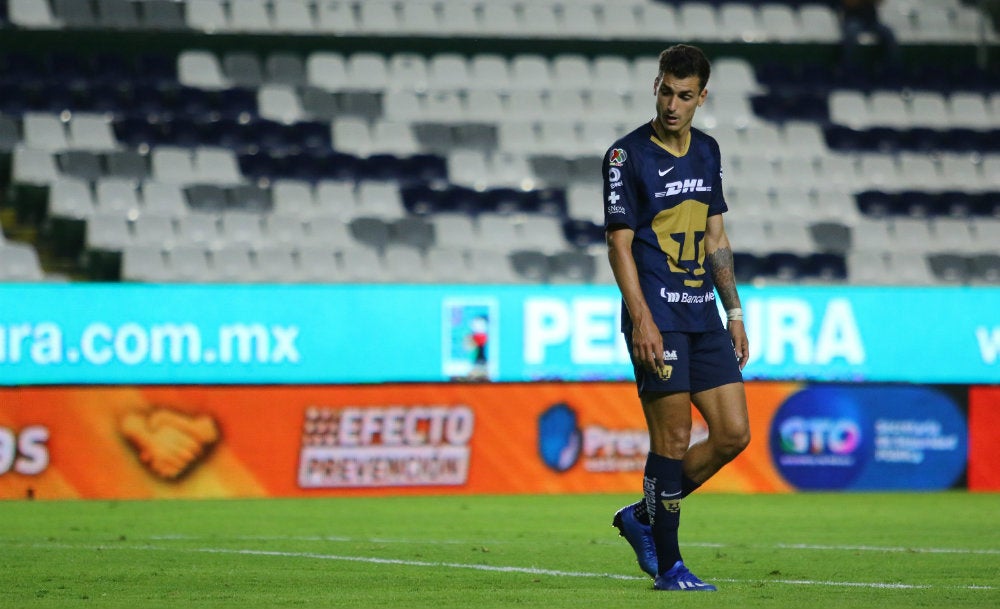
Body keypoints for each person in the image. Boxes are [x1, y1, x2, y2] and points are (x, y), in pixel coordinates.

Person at [602, 44, 750, 592]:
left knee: (734, 433)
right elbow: (618, 246)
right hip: (657, 315)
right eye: (665, 90)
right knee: (673, 437)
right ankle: (670, 567)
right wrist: (640, 319)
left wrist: (733, 310)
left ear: (701, 98)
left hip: (703, 314)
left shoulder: (708, 152)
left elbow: (715, 238)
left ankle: (641, 515)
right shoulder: (626, 157)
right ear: (656, 87)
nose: (672, 103)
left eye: (684, 95)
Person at [838, 0, 901, 71]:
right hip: (853, 19)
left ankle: (891, 69)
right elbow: (849, 3)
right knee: (850, 35)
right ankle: (848, 68)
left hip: (871, 20)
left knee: (889, 34)